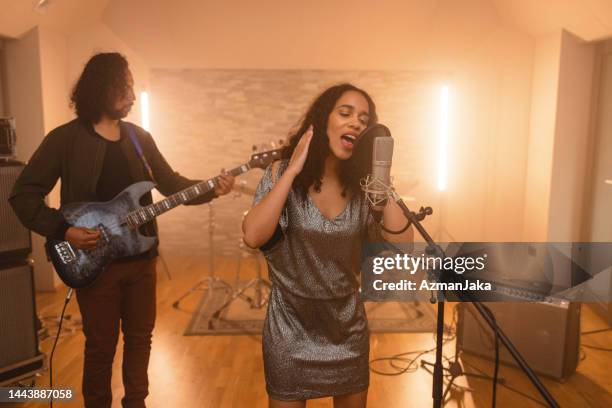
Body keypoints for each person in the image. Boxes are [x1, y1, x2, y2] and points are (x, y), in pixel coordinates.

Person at [9, 52, 234, 408]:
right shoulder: (65, 139)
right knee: (100, 347)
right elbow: (23, 195)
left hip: (142, 260)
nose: (131, 95)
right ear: (101, 88)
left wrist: (212, 188)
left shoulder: (139, 138)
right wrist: (64, 230)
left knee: (141, 339)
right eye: (125, 87)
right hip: (94, 265)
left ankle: (136, 403)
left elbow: (171, 183)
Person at [242, 83, 413, 408]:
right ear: (323, 121)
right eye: (345, 113)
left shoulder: (366, 189)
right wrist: (292, 170)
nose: (356, 123)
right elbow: (253, 235)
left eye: (364, 120)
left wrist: (381, 176)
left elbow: (404, 248)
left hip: (347, 331)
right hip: (289, 331)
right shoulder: (281, 173)